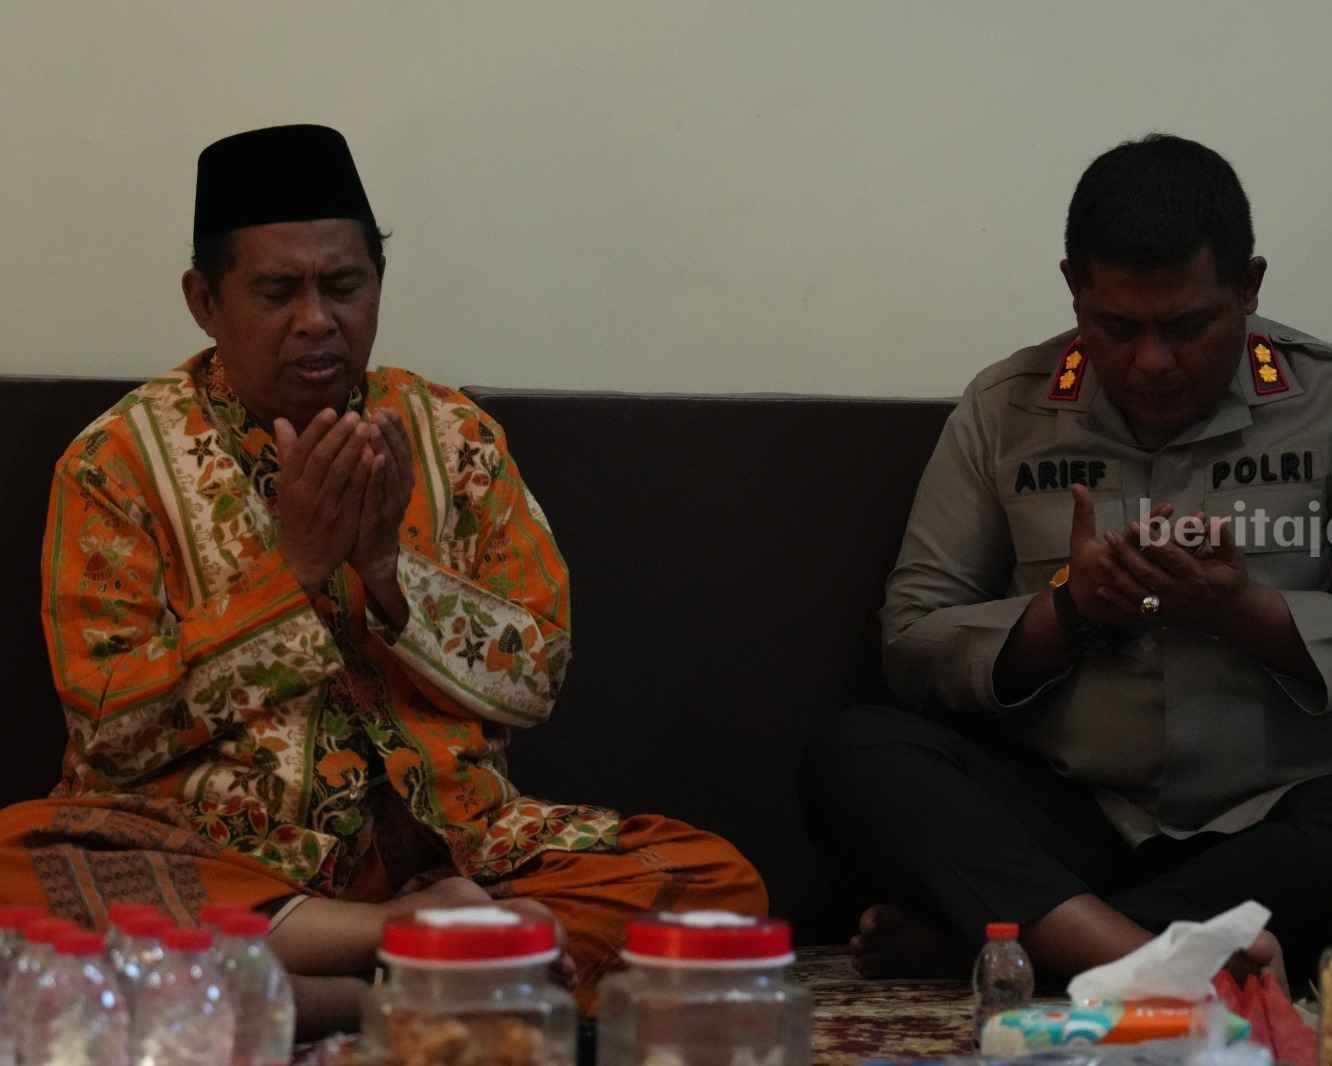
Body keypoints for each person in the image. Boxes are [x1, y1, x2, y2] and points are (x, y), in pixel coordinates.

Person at [0, 125, 764, 1031]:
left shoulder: (454, 437)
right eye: (278, 291)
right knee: (18, 862)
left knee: (713, 880)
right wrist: (290, 574)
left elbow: (536, 677)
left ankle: (342, 976)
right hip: (219, 853)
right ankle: (424, 953)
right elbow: (110, 730)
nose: (317, 320)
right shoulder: (115, 463)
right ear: (205, 301)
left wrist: (388, 575)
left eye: (344, 286)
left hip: (462, 851)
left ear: (378, 283)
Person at [820, 134, 1332, 990]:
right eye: (1116, 327)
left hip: (1267, 826)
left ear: (1249, 286)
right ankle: (1134, 958)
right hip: (1068, 814)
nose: (1151, 362)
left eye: (1187, 326)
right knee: (858, 751)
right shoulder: (1004, 410)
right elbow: (910, 644)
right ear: (1073, 288)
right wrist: (1068, 614)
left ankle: (1027, 943)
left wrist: (1244, 613)